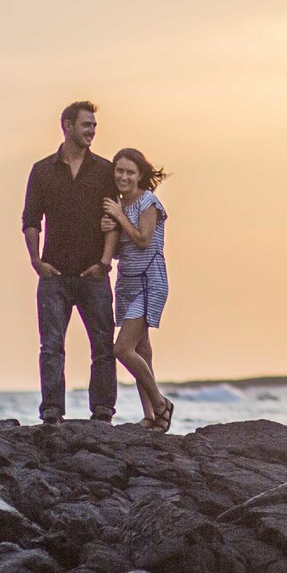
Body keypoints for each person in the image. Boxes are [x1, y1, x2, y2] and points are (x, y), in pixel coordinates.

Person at [21, 100, 117, 424]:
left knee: (103, 345)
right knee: (51, 346)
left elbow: (113, 220)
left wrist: (104, 263)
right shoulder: (42, 170)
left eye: (94, 125)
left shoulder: (105, 170)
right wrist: (37, 262)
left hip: (94, 274)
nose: (92, 130)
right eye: (86, 124)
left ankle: (103, 411)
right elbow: (31, 220)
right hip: (54, 275)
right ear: (67, 125)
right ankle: (52, 410)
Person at [100, 147, 174, 431]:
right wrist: (107, 224)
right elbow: (120, 250)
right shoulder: (118, 205)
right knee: (142, 349)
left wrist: (118, 217)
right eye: (119, 170)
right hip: (127, 281)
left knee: (122, 348)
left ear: (140, 175)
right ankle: (152, 416)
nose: (124, 176)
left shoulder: (148, 202)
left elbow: (143, 239)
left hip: (149, 280)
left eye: (130, 171)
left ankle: (161, 403)